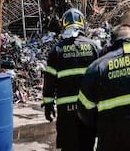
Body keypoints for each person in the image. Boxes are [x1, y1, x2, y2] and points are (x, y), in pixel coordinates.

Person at [42, 9, 100, 151]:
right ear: (82, 24)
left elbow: (49, 81)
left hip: (66, 113)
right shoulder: (93, 47)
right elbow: (100, 79)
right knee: (87, 145)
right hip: (88, 110)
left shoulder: (57, 50)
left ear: (64, 24)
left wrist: (48, 105)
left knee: (69, 146)